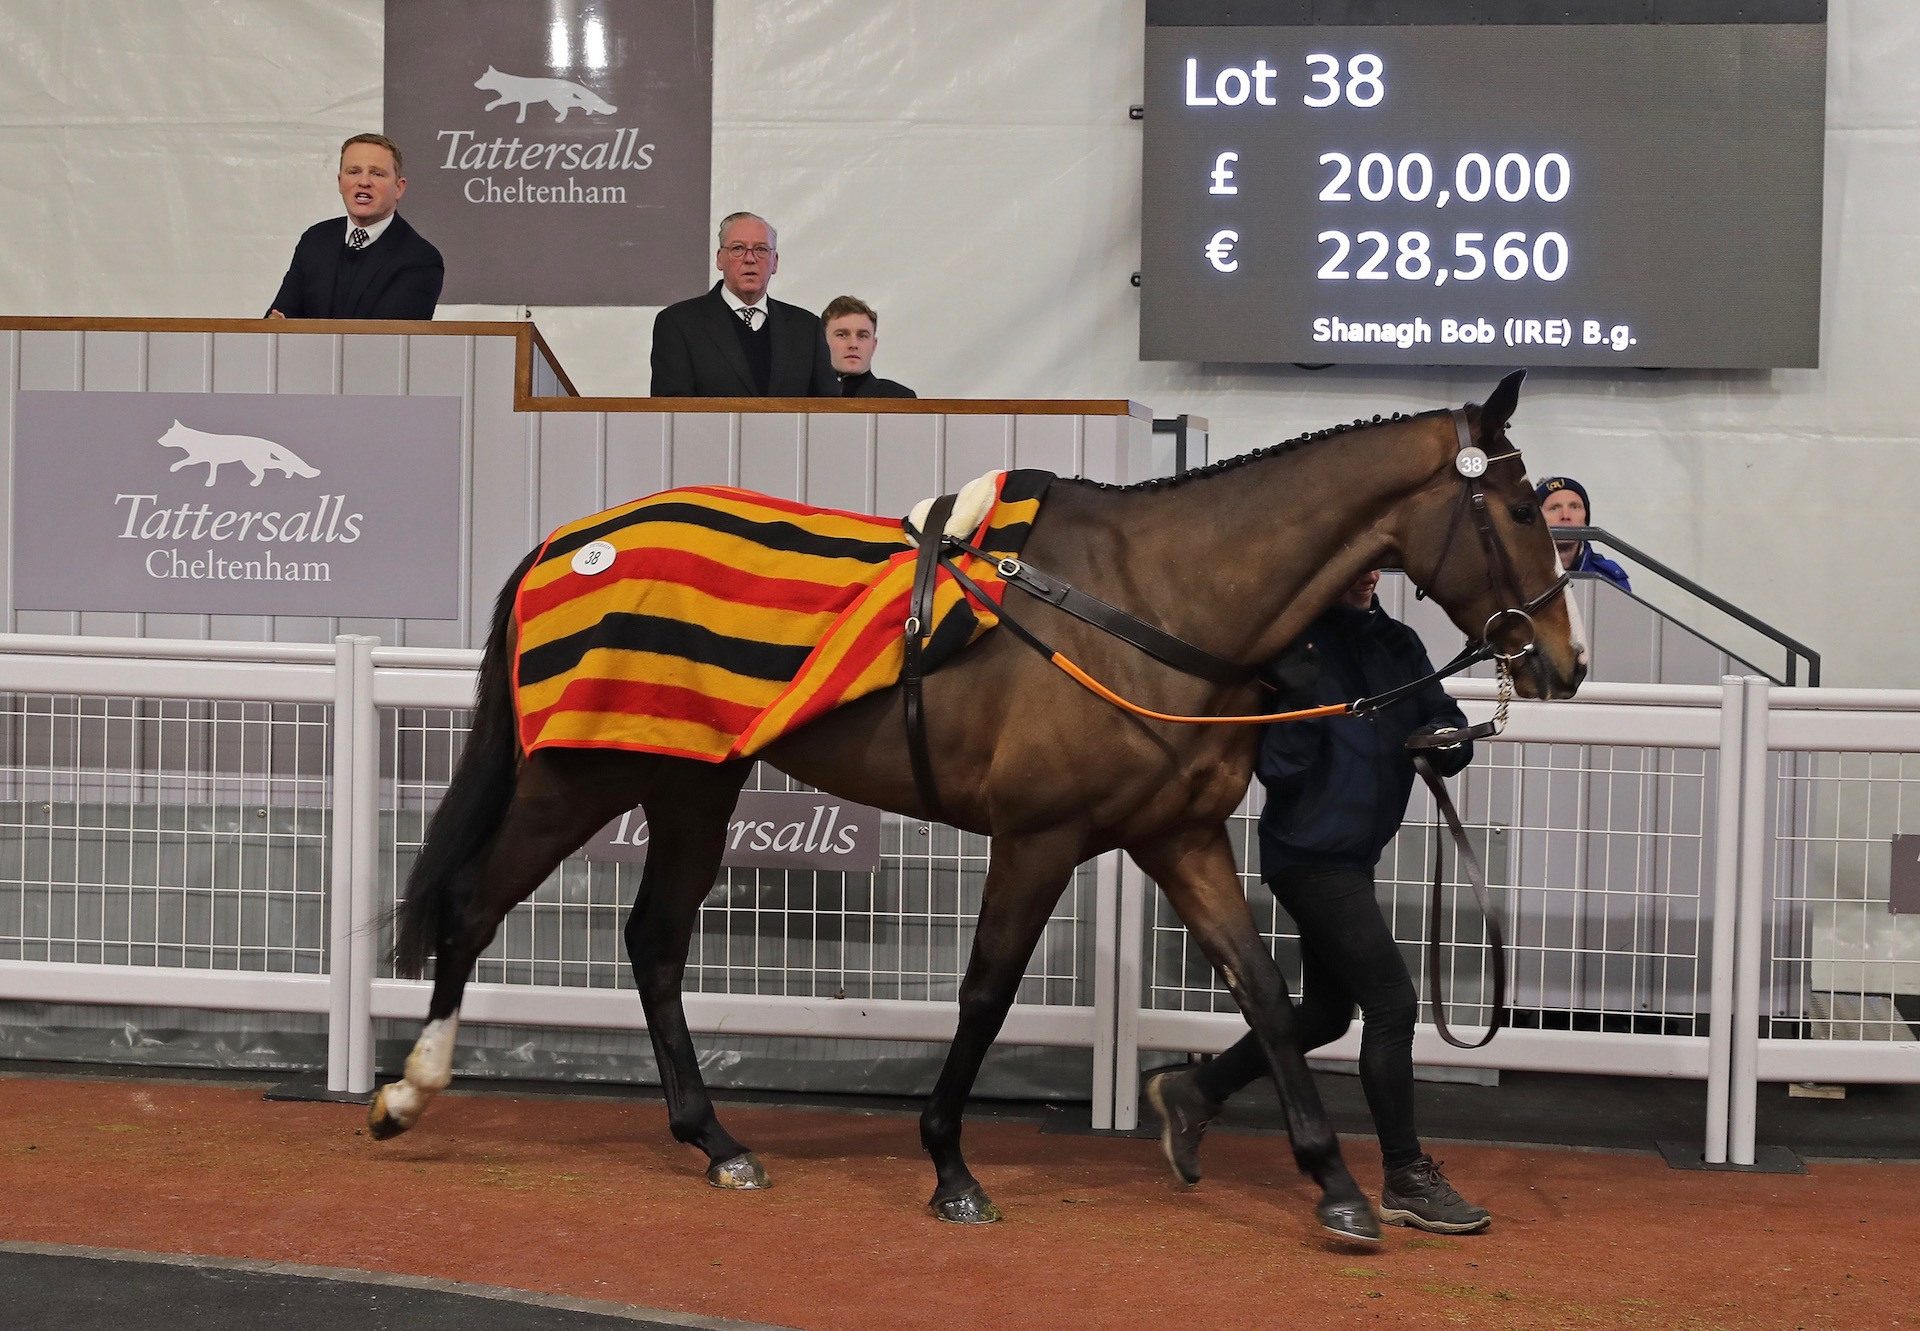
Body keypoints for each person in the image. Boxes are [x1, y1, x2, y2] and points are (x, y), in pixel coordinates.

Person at [1145, 568, 1491, 1235]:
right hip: (1309, 858)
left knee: (1331, 1013)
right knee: (1392, 1003)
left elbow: (1441, 720)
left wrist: (1446, 739)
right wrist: (1304, 708)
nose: (1365, 577)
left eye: (1373, 567)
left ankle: (1197, 1090)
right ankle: (1404, 1175)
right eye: (1352, 566)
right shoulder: (1294, 650)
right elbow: (1278, 770)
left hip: (1354, 857)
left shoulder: (1399, 643)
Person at [649, 213, 838, 397]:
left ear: (775, 262)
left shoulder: (806, 327)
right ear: (719, 259)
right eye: (738, 248)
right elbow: (672, 413)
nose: (749, 259)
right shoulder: (679, 324)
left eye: (761, 249)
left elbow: (828, 411)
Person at [267, 133, 444, 320]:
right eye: (353, 172)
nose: (364, 182)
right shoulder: (315, 240)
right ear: (340, 182)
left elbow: (391, 340)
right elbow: (279, 319)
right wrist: (274, 324)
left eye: (376, 173)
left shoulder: (420, 258)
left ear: (399, 188)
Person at [1536, 476, 1630, 592]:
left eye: (1574, 507)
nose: (1565, 516)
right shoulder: (1518, 575)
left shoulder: (1609, 577)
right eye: (1554, 508)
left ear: (1586, 519)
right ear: (1537, 520)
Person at [820, 295, 916, 398]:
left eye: (862, 336)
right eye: (842, 335)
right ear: (822, 341)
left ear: (873, 345)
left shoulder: (899, 399)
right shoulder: (804, 395)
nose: (853, 344)